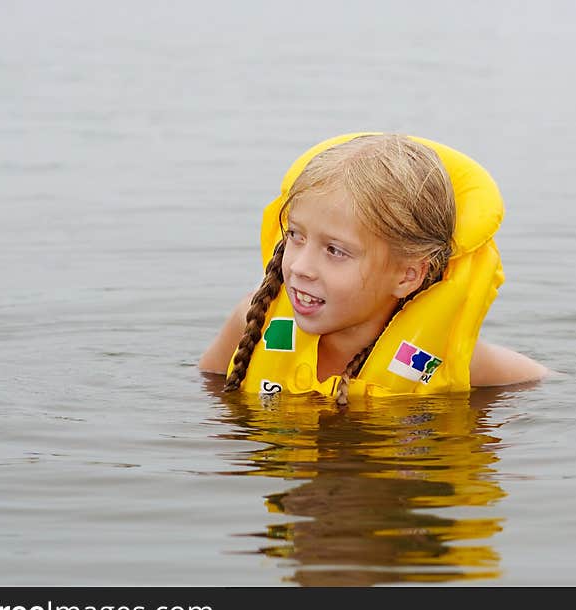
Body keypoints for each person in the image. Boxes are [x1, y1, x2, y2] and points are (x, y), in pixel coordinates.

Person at [199, 132, 550, 405]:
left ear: (406, 275)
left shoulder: (452, 360)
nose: (301, 268)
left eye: (335, 250)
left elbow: (545, 385)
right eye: (295, 235)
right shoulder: (251, 322)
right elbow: (210, 391)